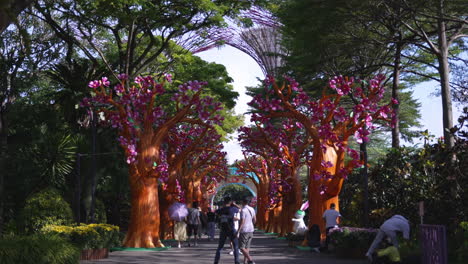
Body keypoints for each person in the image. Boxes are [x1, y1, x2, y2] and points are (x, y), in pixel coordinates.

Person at [214, 196, 240, 264]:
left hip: (223, 229)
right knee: (236, 247)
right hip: (231, 229)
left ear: (224, 202)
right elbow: (239, 209)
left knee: (220, 247)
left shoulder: (221, 210)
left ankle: (216, 261)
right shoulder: (232, 209)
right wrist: (234, 204)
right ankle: (237, 261)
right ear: (230, 202)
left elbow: (215, 212)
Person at [238, 197, 256, 264]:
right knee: (247, 247)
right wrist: (251, 225)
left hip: (244, 230)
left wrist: (238, 230)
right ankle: (245, 262)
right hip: (251, 230)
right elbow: (255, 219)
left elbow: (242, 221)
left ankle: (250, 259)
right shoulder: (252, 209)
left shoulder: (243, 210)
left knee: (241, 247)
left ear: (243, 202)